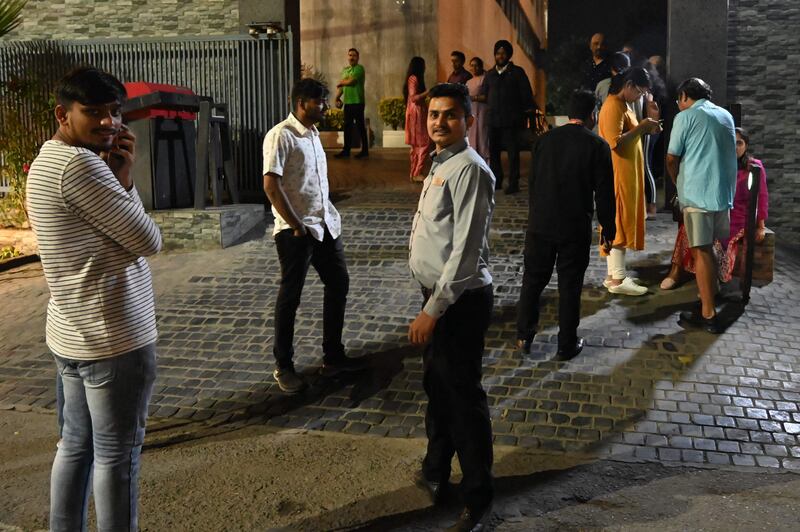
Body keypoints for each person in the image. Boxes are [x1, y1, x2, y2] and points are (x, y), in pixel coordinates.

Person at [26, 66, 162, 531]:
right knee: (117, 458)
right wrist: (126, 181)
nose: (109, 123)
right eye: (94, 113)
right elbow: (148, 240)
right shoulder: (81, 166)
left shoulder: (46, 158)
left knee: (75, 447)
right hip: (114, 338)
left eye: (114, 111)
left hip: (72, 332)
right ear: (64, 114)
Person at [408, 83, 496, 532]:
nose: (439, 122)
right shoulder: (440, 162)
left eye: (449, 115)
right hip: (438, 298)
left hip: (458, 303)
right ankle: (436, 470)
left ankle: (478, 495)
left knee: (462, 399)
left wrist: (433, 309)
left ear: (468, 120)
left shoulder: (471, 170)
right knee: (437, 389)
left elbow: (465, 253)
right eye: (434, 115)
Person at [263, 78, 365, 393]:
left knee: (339, 283)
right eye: (320, 101)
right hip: (297, 231)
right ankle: (284, 365)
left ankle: (333, 357)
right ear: (303, 102)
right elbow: (271, 185)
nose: (324, 106)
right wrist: (295, 224)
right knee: (290, 297)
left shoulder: (314, 134)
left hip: (325, 226)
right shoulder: (281, 135)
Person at [516, 90, 616, 360]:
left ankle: (524, 336)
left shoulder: (544, 141)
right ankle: (566, 344)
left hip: (541, 223)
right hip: (574, 225)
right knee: (570, 285)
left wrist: (535, 215)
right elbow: (605, 193)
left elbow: (533, 184)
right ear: (592, 115)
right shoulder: (597, 146)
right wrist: (609, 229)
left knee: (533, 281)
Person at [666, 78, 737, 334]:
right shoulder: (726, 115)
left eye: (678, 100)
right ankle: (709, 294)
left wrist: (678, 184)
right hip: (722, 193)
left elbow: (672, 158)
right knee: (711, 246)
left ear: (685, 96)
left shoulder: (685, 117)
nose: (678, 104)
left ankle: (708, 314)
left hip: (697, 195)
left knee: (701, 251)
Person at [661, 128, 764, 286]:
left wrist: (760, 226)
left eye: (739, 143)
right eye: (731, 143)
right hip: (716, 210)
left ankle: (711, 280)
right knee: (688, 227)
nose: (735, 147)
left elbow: (761, 197)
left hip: (739, 217)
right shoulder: (717, 163)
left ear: (746, 145)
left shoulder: (754, 167)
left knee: (717, 239)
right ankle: (676, 272)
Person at [597, 67, 662, 296]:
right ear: (629, 85)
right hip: (618, 173)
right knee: (618, 222)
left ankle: (612, 276)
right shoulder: (613, 105)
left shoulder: (623, 105)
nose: (640, 97)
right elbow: (614, 142)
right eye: (640, 93)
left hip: (627, 172)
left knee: (619, 220)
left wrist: (649, 125)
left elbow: (630, 134)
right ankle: (618, 279)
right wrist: (642, 128)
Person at [483, 39, 534, 194]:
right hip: (493, 120)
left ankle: (513, 182)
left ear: (509, 55)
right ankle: (497, 181)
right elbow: (486, 94)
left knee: (513, 153)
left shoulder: (517, 72)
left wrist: (525, 115)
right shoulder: (490, 74)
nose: (500, 56)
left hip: (511, 121)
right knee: (494, 153)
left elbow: (526, 95)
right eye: (498, 53)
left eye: (504, 53)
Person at [334, 48, 369, 159]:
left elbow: (350, 82)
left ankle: (365, 151)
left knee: (360, 127)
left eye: (354, 55)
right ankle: (346, 151)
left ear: (357, 57)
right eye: (350, 55)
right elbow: (343, 87)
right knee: (347, 127)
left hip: (358, 102)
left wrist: (341, 82)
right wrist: (337, 98)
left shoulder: (360, 69)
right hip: (348, 103)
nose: (351, 57)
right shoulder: (345, 70)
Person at [404, 56, 431, 182]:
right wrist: (428, 92)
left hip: (415, 112)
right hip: (416, 114)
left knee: (416, 145)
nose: (425, 68)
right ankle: (417, 172)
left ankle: (414, 173)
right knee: (424, 143)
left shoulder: (413, 78)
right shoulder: (414, 78)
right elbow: (414, 97)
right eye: (424, 65)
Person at [466, 56, 490, 162]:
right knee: (472, 135)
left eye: (476, 65)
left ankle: (485, 161)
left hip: (482, 111)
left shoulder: (485, 78)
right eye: (472, 65)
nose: (474, 68)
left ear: (480, 67)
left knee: (482, 134)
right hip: (471, 110)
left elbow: (487, 96)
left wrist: (474, 98)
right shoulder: (469, 81)